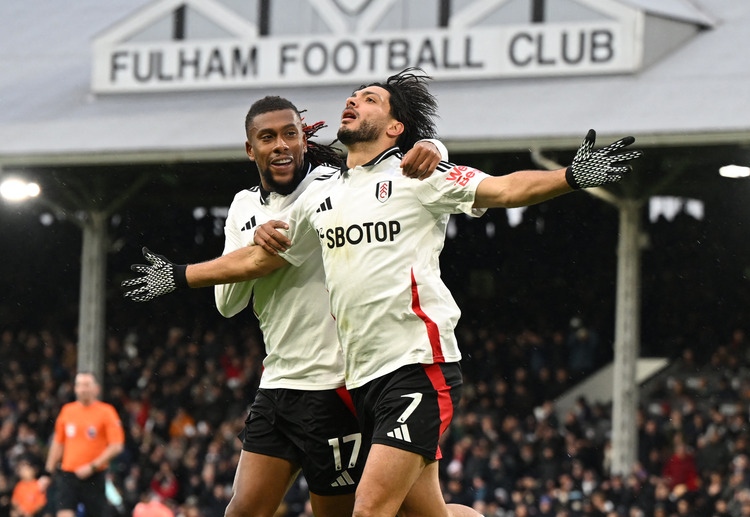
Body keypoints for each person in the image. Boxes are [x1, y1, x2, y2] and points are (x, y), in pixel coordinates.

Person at [123, 67, 642, 517]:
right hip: (364, 379)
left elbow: (503, 188)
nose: (353, 100)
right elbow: (260, 259)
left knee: (369, 510)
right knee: (423, 512)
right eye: (354, 95)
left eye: (369, 98)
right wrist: (179, 274)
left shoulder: (420, 175)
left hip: (418, 364)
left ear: (395, 128)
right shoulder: (321, 194)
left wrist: (570, 176)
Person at [39, 372, 125, 517]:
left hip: (94, 476)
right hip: (68, 475)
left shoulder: (106, 412)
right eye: (79, 385)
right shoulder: (67, 411)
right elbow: (58, 444)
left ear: (96, 389)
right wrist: (47, 473)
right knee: (64, 513)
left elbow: (116, 445)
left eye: (86, 385)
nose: (82, 389)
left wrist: (92, 466)